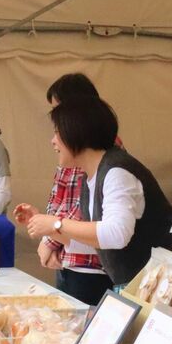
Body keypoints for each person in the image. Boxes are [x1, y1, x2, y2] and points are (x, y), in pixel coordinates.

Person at [14, 96, 172, 288]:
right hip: (135, 285)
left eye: (57, 133)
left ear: (76, 133)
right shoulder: (91, 176)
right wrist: (46, 225)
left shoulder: (117, 172)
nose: (53, 141)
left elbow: (116, 234)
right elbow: (95, 243)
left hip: (156, 287)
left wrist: (56, 224)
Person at [39, 73, 114, 305]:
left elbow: (84, 205)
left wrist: (51, 239)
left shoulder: (99, 149)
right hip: (68, 257)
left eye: (60, 111)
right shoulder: (70, 149)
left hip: (90, 263)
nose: (58, 125)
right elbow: (58, 199)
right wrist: (48, 238)